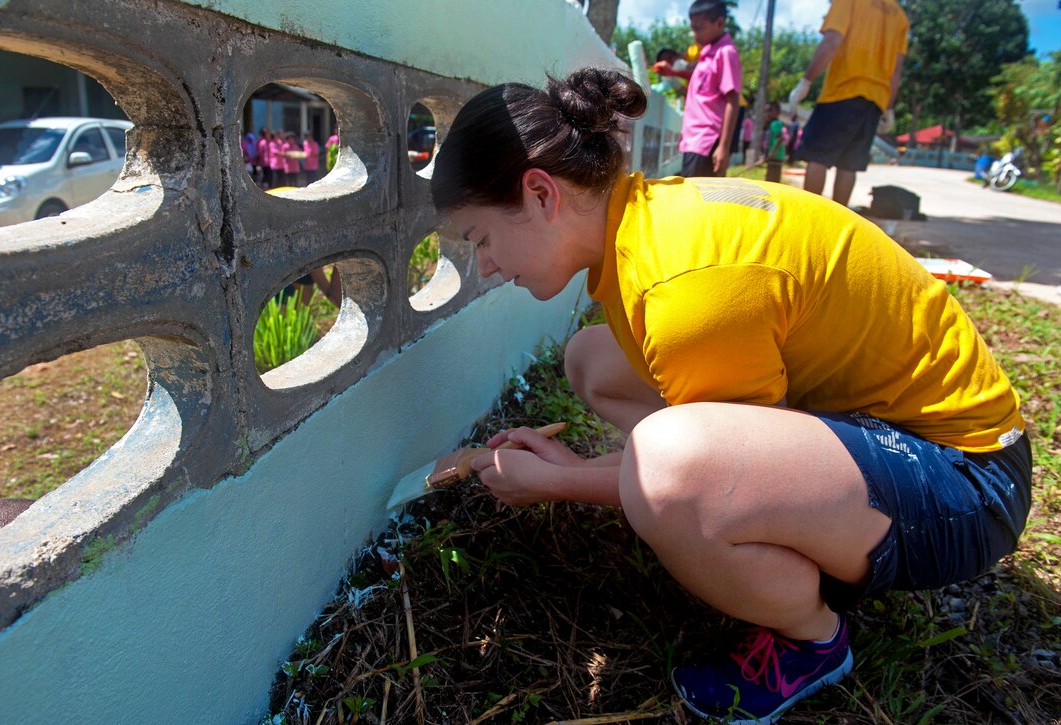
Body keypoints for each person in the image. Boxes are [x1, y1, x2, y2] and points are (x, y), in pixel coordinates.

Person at [429, 67, 1031, 724]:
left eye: (481, 237)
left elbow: (675, 473)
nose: (485, 264)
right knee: (591, 360)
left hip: (967, 485)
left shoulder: (682, 296)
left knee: (667, 466)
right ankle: (790, 530)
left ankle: (811, 638)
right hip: (892, 430)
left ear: (541, 194)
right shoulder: (645, 222)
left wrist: (562, 481)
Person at [788, 0, 908, 205]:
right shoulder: (899, 16)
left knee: (818, 157)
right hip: (875, 100)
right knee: (849, 165)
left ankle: (810, 218)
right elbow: (896, 71)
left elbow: (832, 41)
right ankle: (839, 222)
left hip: (843, 90)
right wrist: (888, 107)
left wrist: (805, 82)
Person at [677, 0, 741, 177]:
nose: (694, 33)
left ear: (719, 23)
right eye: (692, 28)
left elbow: (732, 100)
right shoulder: (707, 53)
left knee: (698, 201)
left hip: (706, 140)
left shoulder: (725, 53)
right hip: (693, 140)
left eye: (699, 28)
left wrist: (723, 147)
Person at [762, 100, 786, 183]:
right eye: (766, 111)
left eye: (770, 111)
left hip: (776, 156)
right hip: (773, 156)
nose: (767, 113)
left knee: (772, 179)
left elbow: (780, 139)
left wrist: (772, 152)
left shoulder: (775, 124)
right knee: (770, 178)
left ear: (777, 112)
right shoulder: (770, 124)